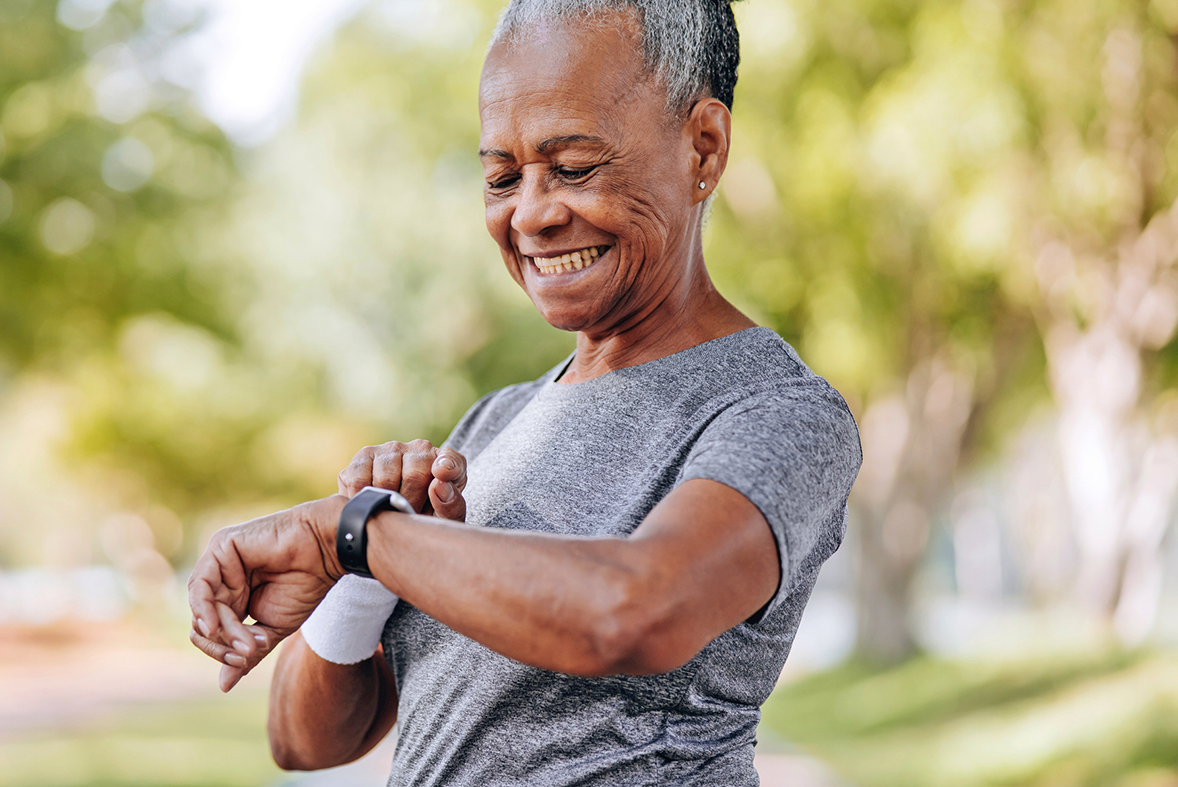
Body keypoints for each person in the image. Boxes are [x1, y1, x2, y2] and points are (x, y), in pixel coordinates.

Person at [187, 1, 861, 784]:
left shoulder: (779, 412)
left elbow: (633, 613)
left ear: (702, 148)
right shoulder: (494, 424)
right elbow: (305, 742)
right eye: (502, 177)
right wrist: (362, 570)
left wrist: (357, 534)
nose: (532, 214)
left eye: (574, 167)